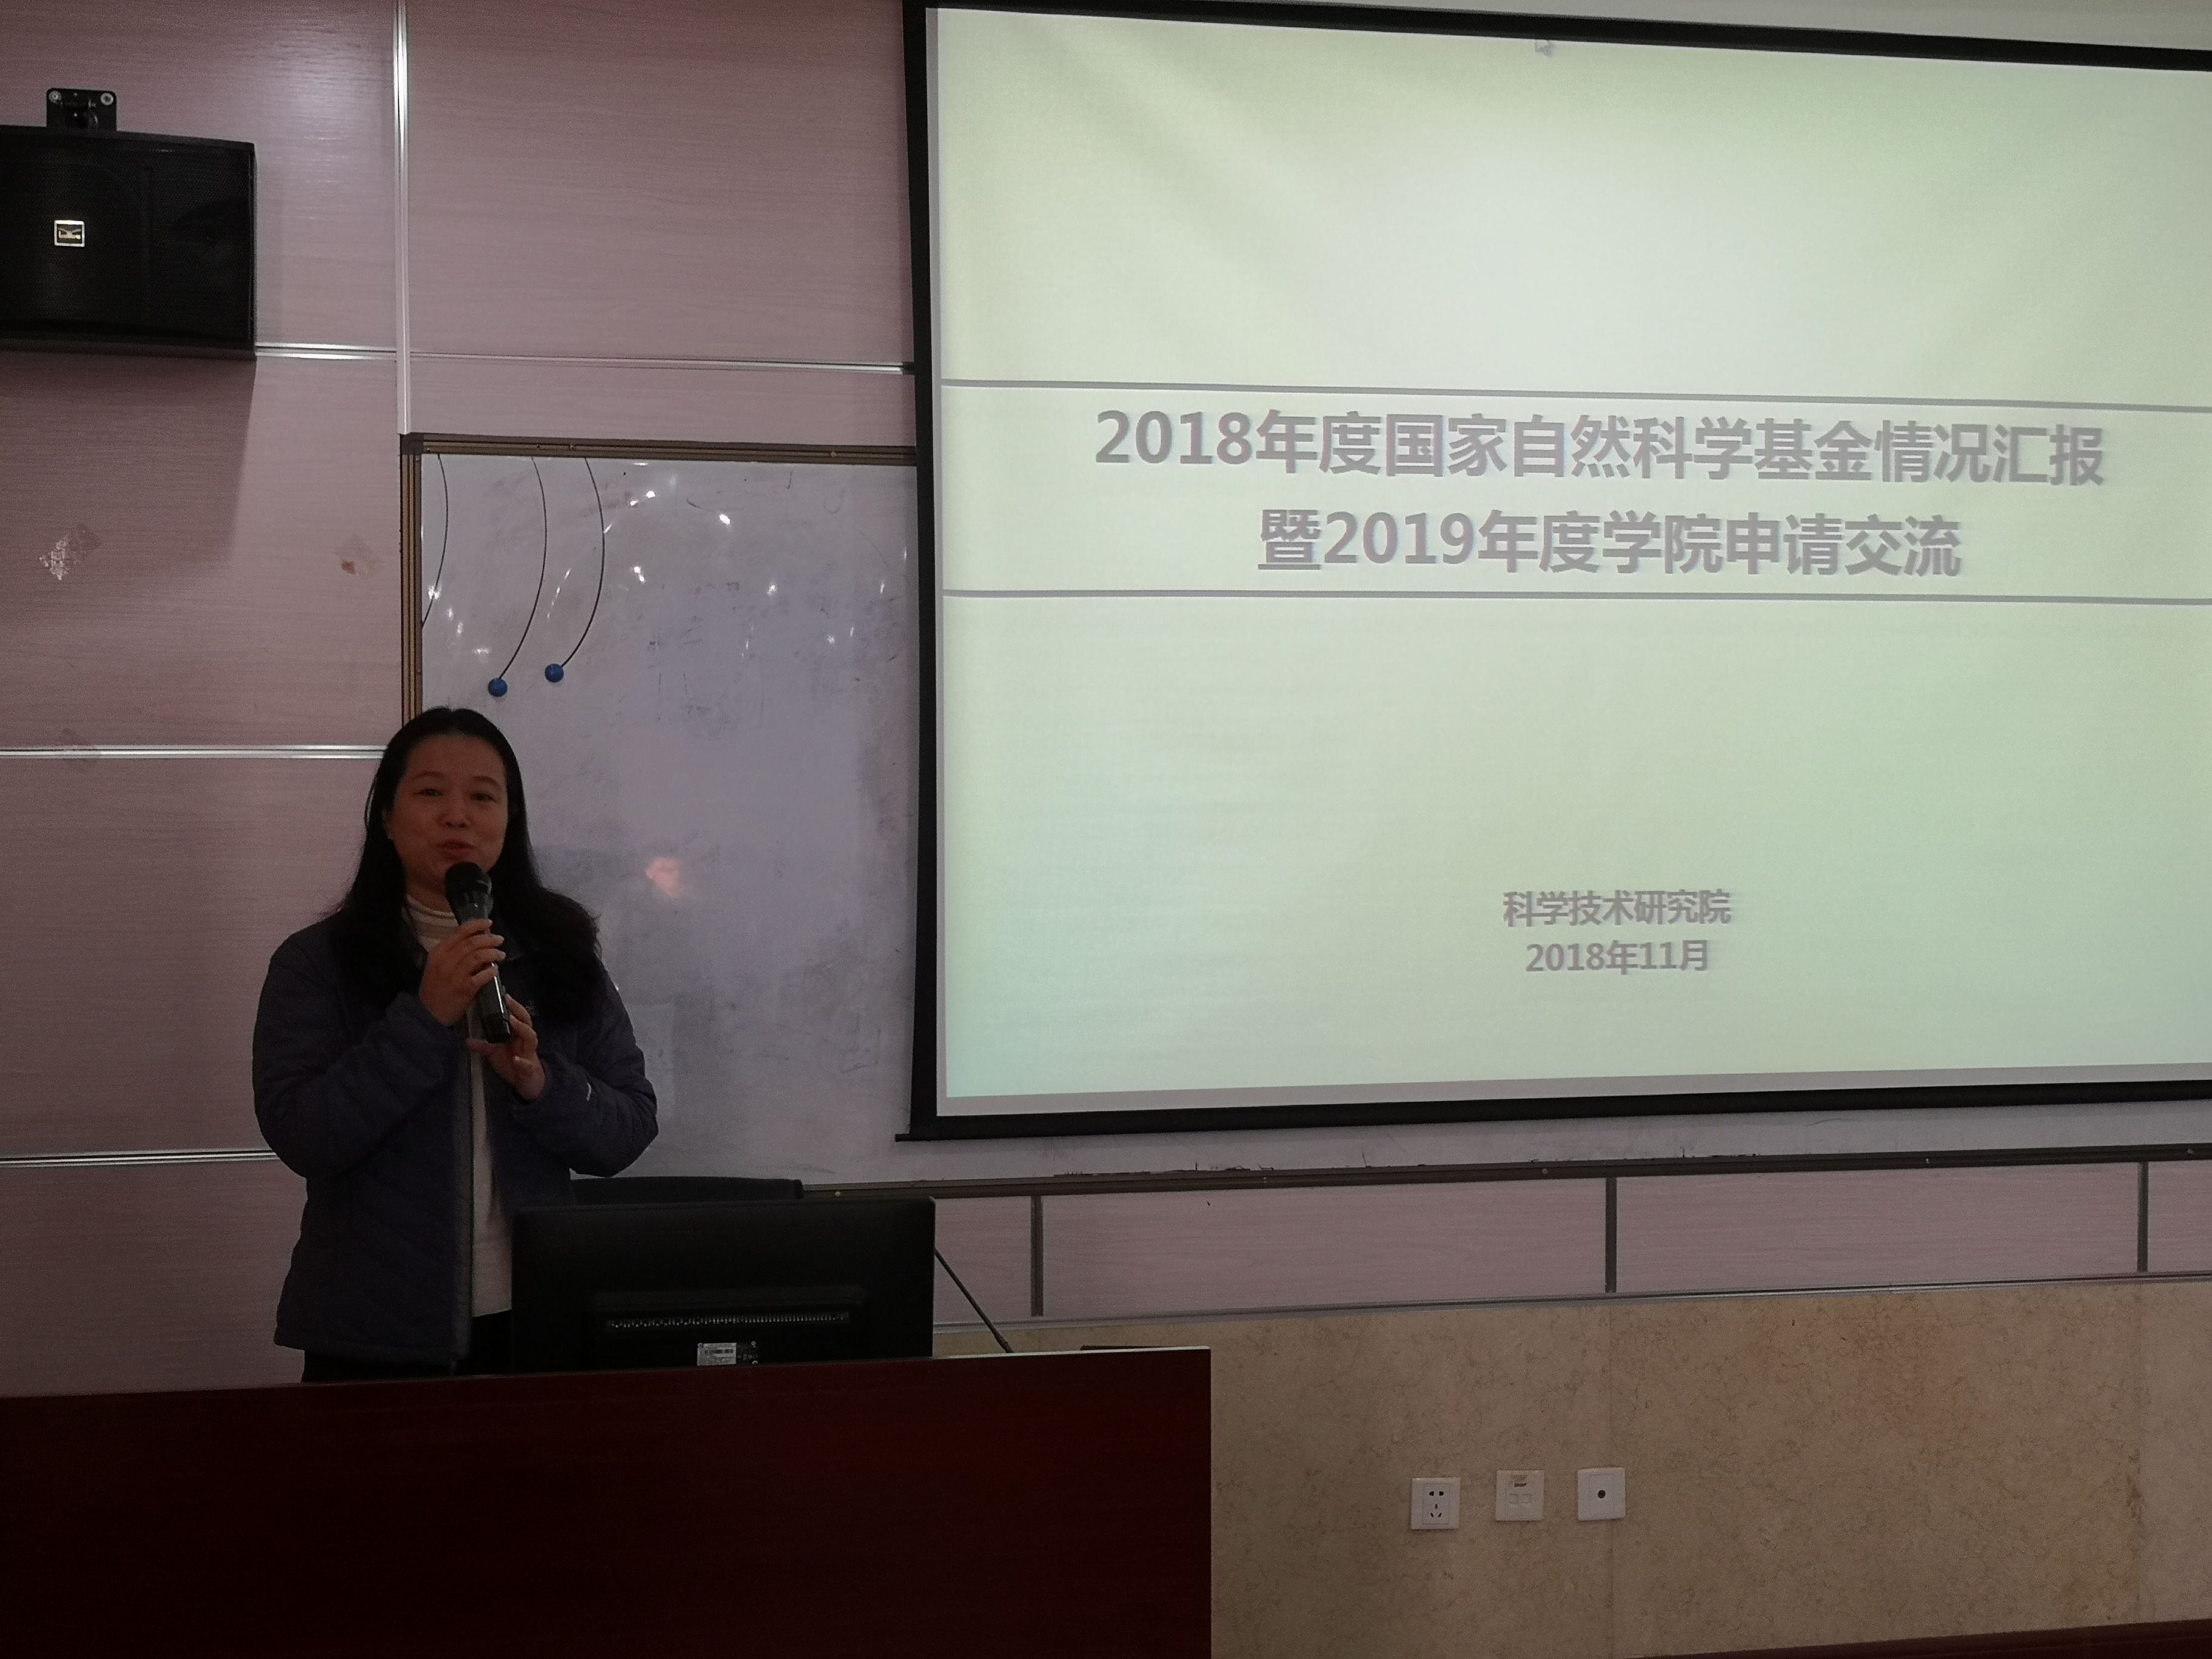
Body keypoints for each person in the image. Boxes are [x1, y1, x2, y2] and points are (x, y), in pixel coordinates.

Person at [253, 707, 657, 1380]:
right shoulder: (317, 963)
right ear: (387, 817)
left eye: (483, 797)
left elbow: (629, 1127)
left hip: (537, 1321)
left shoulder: (560, 952)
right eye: (431, 792)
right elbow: (304, 1135)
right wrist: (422, 1018)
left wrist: (542, 1084)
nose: (457, 816)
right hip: (370, 1332)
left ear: (510, 819)